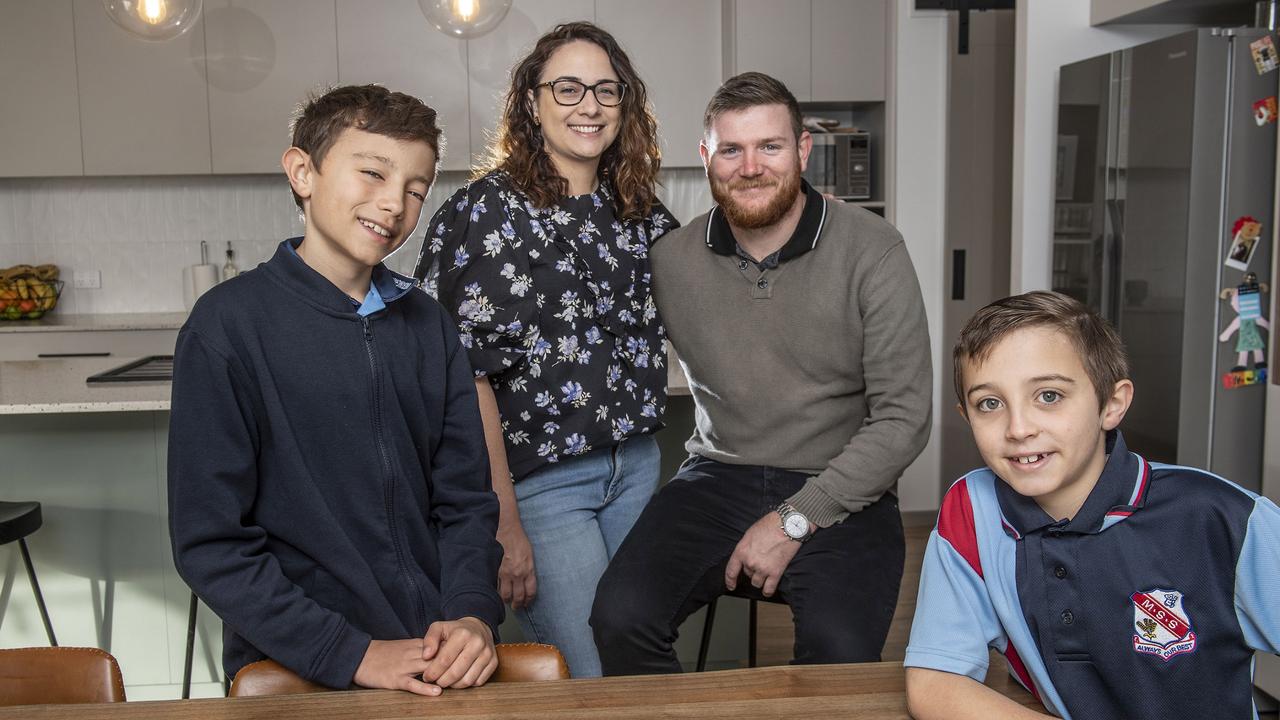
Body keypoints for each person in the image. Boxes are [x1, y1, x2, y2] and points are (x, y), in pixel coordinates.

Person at [590, 71, 932, 674]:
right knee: (620, 619)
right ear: (706, 157)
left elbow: (904, 418)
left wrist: (795, 518)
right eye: (731, 149)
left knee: (839, 656)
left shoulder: (873, 249)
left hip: (845, 484)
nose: (750, 167)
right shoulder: (669, 259)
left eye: (769, 146)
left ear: (801, 149)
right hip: (717, 478)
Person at [168, 85, 503, 695]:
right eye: (372, 173)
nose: (393, 204)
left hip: (434, 657)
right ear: (302, 171)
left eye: (415, 190)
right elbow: (211, 544)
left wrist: (473, 616)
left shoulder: (430, 325)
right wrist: (351, 654)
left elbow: (466, 504)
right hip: (296, 664)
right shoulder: (227, 327)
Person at [412, 22, 677, 678]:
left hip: (636, 465)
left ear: (625, 104)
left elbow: (712, 293)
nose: (589, 105)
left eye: (605, 90)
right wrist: (502, 523)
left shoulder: (640, 211)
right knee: (589, 671)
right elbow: (462, 378)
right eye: (568, 88)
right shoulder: (482, 215)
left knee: (641, 659)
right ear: (532, 102)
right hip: (542, 485)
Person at [904, 291, 1280, 719]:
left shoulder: (1219, 516)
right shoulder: (973, 509)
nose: (1018, 428)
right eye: (990, 404)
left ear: (1112, 404)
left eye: (1048, 395)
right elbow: (934, 683)